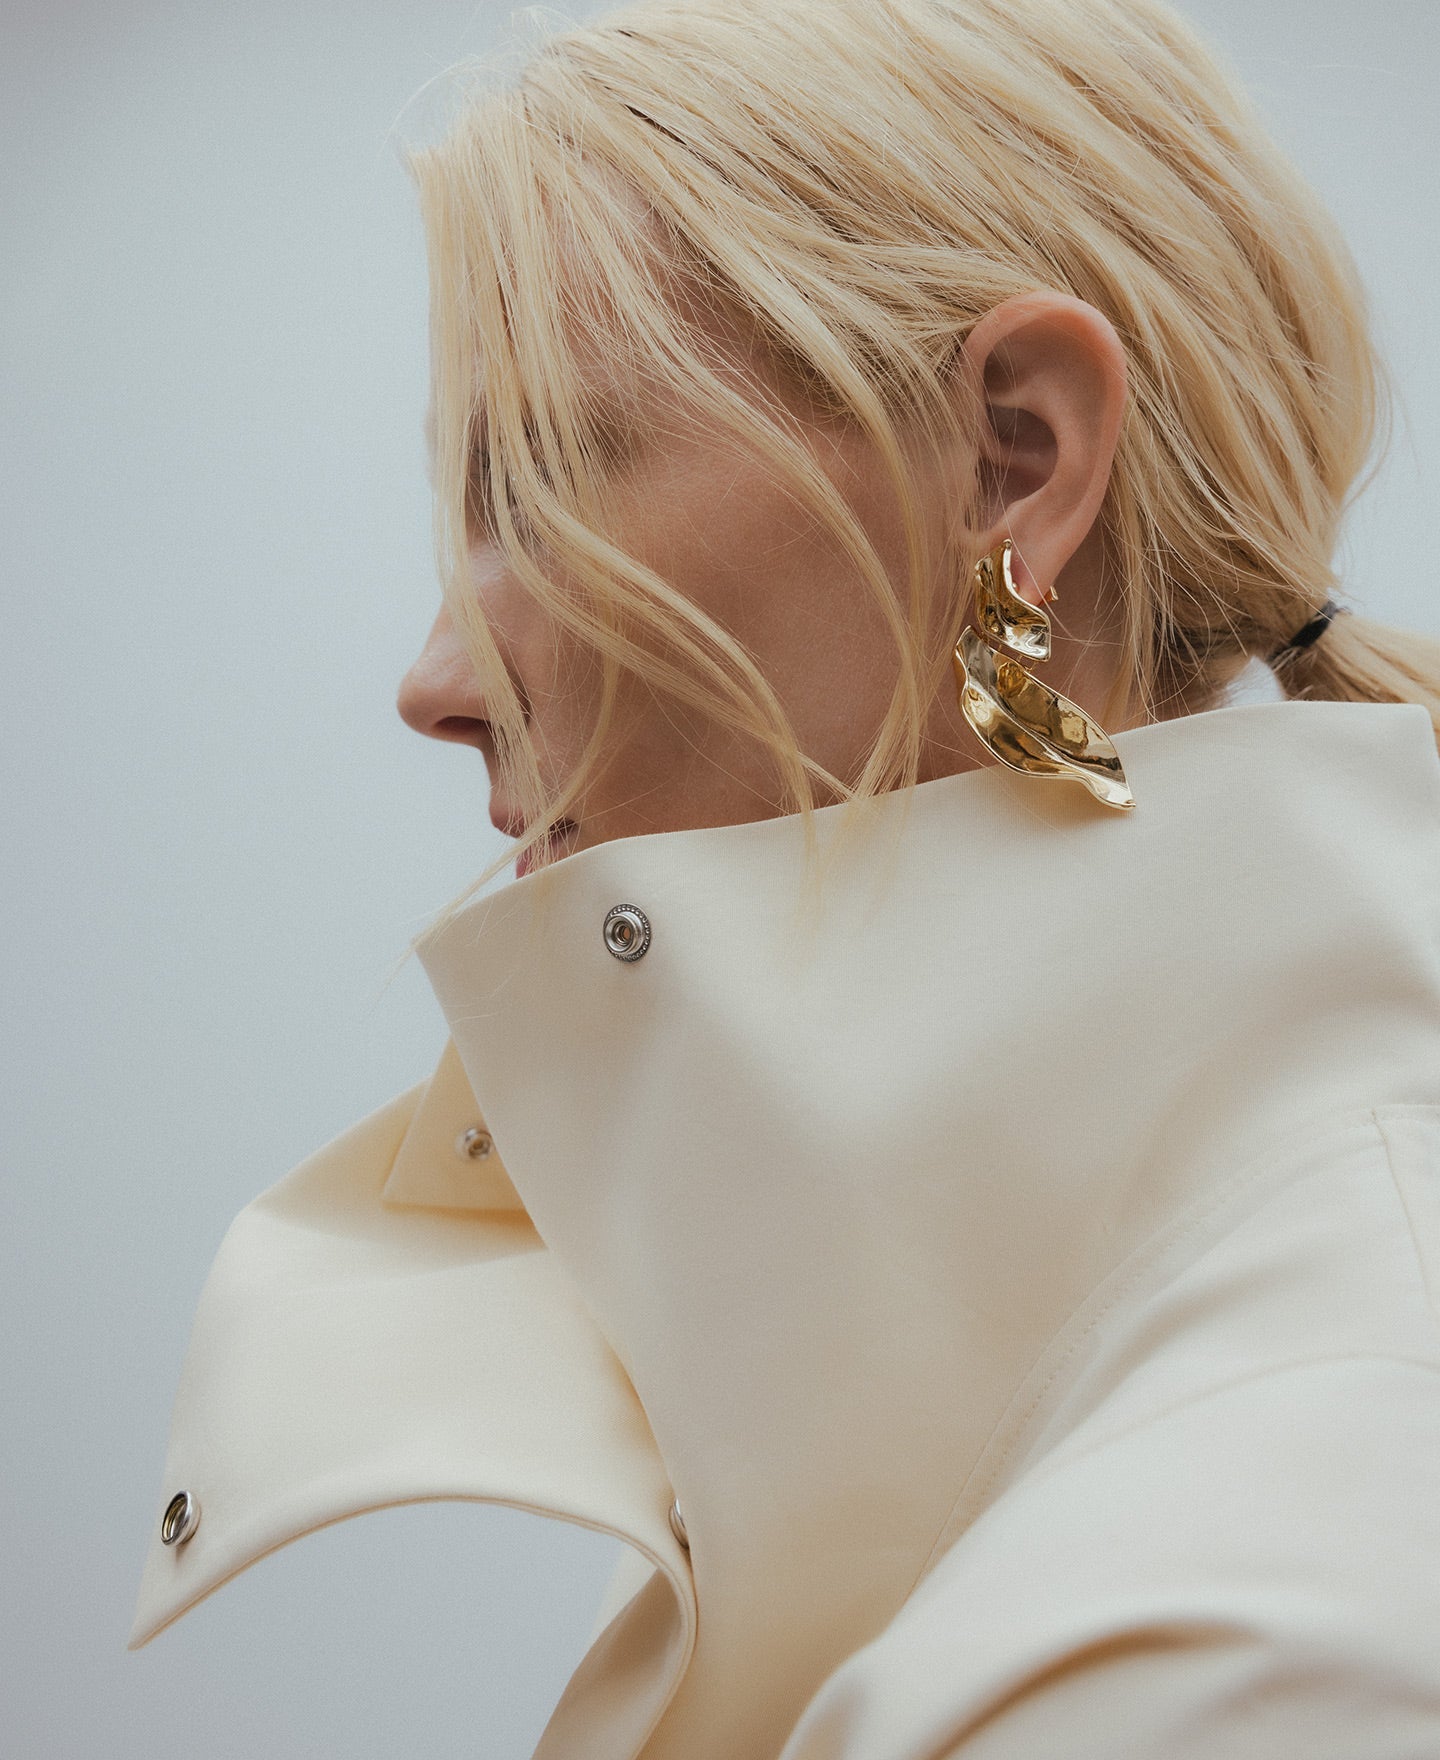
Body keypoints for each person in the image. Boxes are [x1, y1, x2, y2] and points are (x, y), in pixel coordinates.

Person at [131, 0, 1440, 1754]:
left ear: (1014, 464)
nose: (434, 683)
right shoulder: (1001, 1410)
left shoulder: (1266, 1603)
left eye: (534, 481)